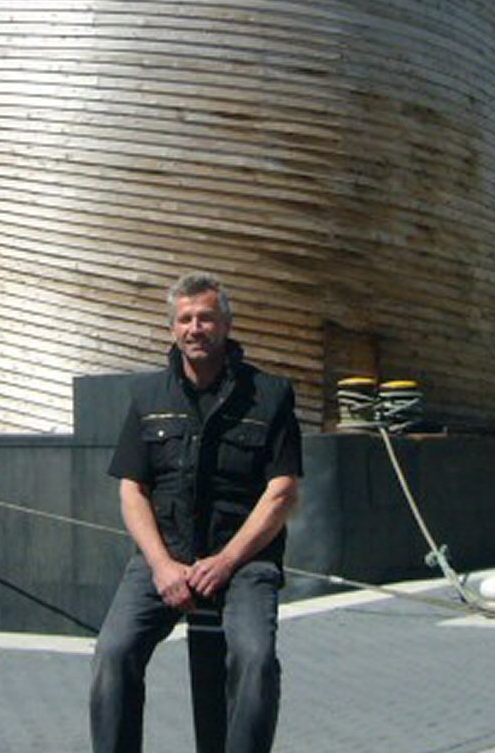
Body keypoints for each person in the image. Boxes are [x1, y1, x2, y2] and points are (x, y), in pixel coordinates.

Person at [91, 273, 303, 753]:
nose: (195, 328)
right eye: (185, 319)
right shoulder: (148, 397)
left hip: (244, 561)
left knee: (255, 658)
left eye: (206, 317)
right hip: (164, 557)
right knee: (113, 650)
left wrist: (227, 561)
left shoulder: (270, 395)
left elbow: (282, 491)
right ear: (172, 329)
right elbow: (132, 490)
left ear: (226, 324)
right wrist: (163, 565)